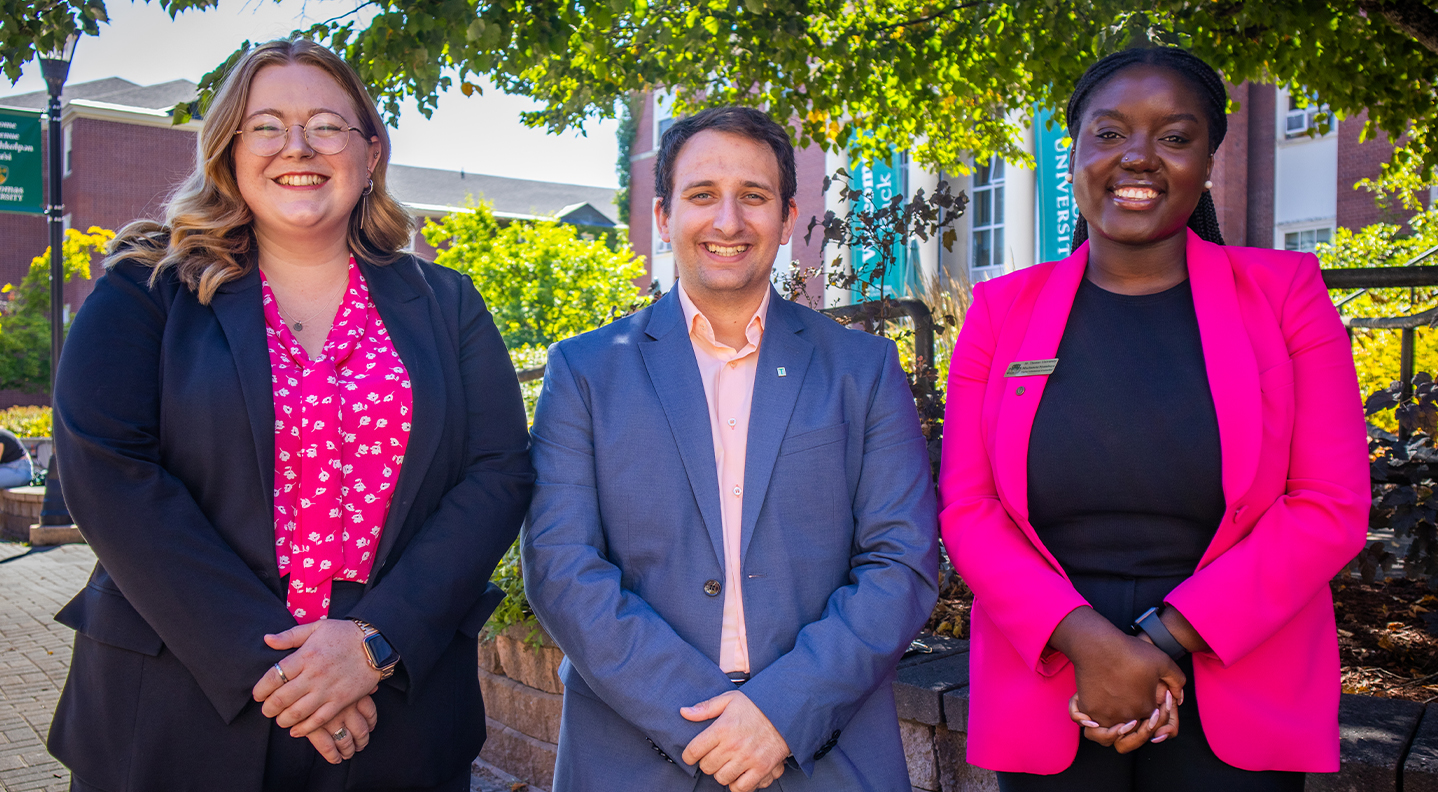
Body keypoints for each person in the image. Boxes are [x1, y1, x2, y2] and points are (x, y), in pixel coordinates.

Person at [46, 39, 533, 792]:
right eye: (265, 125)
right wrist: (280, 668)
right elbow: (110, 474)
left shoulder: (447, 304)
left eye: (327, 126)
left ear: (371, 152)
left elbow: (497, 473)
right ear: (229, 152)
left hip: (394, 708)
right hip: (176, 704)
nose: (296, 147)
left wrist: (374, 643)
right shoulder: (147, 290)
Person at [938, 46, 1369, 791]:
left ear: (1207, 162)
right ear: (1073, 154)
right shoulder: (1000, 312)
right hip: (1055, 679)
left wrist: (1156, 643)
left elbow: (1330, 507)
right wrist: (1092, 648)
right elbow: (968, 511)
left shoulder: (1287, 295)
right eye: (1109, 133)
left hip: (1240, 670)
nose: (1138, 157)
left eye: (1174, 136)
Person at [522, 106, 939, 792]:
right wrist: (708, 726)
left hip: (824, 751)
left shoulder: (862, 369)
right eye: (701, 195)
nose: (727, 221)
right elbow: (561, 567)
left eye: (753, 196)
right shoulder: (586, 370)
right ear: (662, 216)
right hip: (632, 755)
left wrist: (779, 713)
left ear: (787, 215)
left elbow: (901, 562)